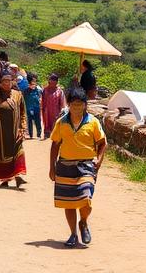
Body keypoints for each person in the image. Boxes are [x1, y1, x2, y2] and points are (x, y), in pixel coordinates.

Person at [48, 87, 107, 248]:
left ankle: (84, 222)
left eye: (80, 105)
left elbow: (102, 143)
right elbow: (55, 145)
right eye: (74, 105)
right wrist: (52, 168)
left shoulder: (93, 122)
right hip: (65, 165)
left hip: (86, 165)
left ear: (85, 105)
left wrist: (99, 161)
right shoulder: (62, 123)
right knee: (68, 202)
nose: (77, 108)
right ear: (69, 105)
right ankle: (73, 234)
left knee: (86, 199)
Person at [0, 72, 28, 188]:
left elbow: (23, 112)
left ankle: (19, 175)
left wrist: (23, 127)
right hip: (0, 131)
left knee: (18, 150)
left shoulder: (18, 95)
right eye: (4, 81)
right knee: (2, 154)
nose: (7, 83)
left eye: (9, 81)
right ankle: (5, 179)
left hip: (15, 130)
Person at [24, 73, 43, 139]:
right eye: (32, 83)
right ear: (29, 83)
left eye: (34, 83)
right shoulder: (26, 91)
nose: (33, 85)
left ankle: (38, 134)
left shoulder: (38, 90)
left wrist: (40, 103)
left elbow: (40, 98)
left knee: (37, 121)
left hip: (36, 108)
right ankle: (31, 135)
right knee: (29, 122)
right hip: (29, 108)